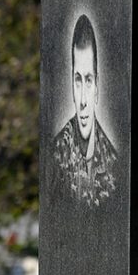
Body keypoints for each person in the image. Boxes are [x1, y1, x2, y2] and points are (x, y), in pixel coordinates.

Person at [53, 14, 117, 208]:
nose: (82, 100)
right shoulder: (55, 155)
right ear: (71, 83)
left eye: (88, 80)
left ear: (97, 86)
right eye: (78, 80)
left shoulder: (114, 163)